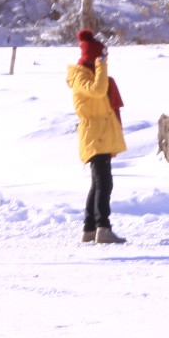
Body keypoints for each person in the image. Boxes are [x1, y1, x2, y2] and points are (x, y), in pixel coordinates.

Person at [68, 28, 127, 244]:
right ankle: (103, 227)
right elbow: (99, 91)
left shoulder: (89, 75)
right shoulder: (81, 78)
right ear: (93, 57)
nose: (104, 60)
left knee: (98, 183)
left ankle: (90, 229)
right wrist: (101, 65)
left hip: (100, 133)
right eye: (101, 56)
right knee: (104, 183)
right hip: (94, 135)